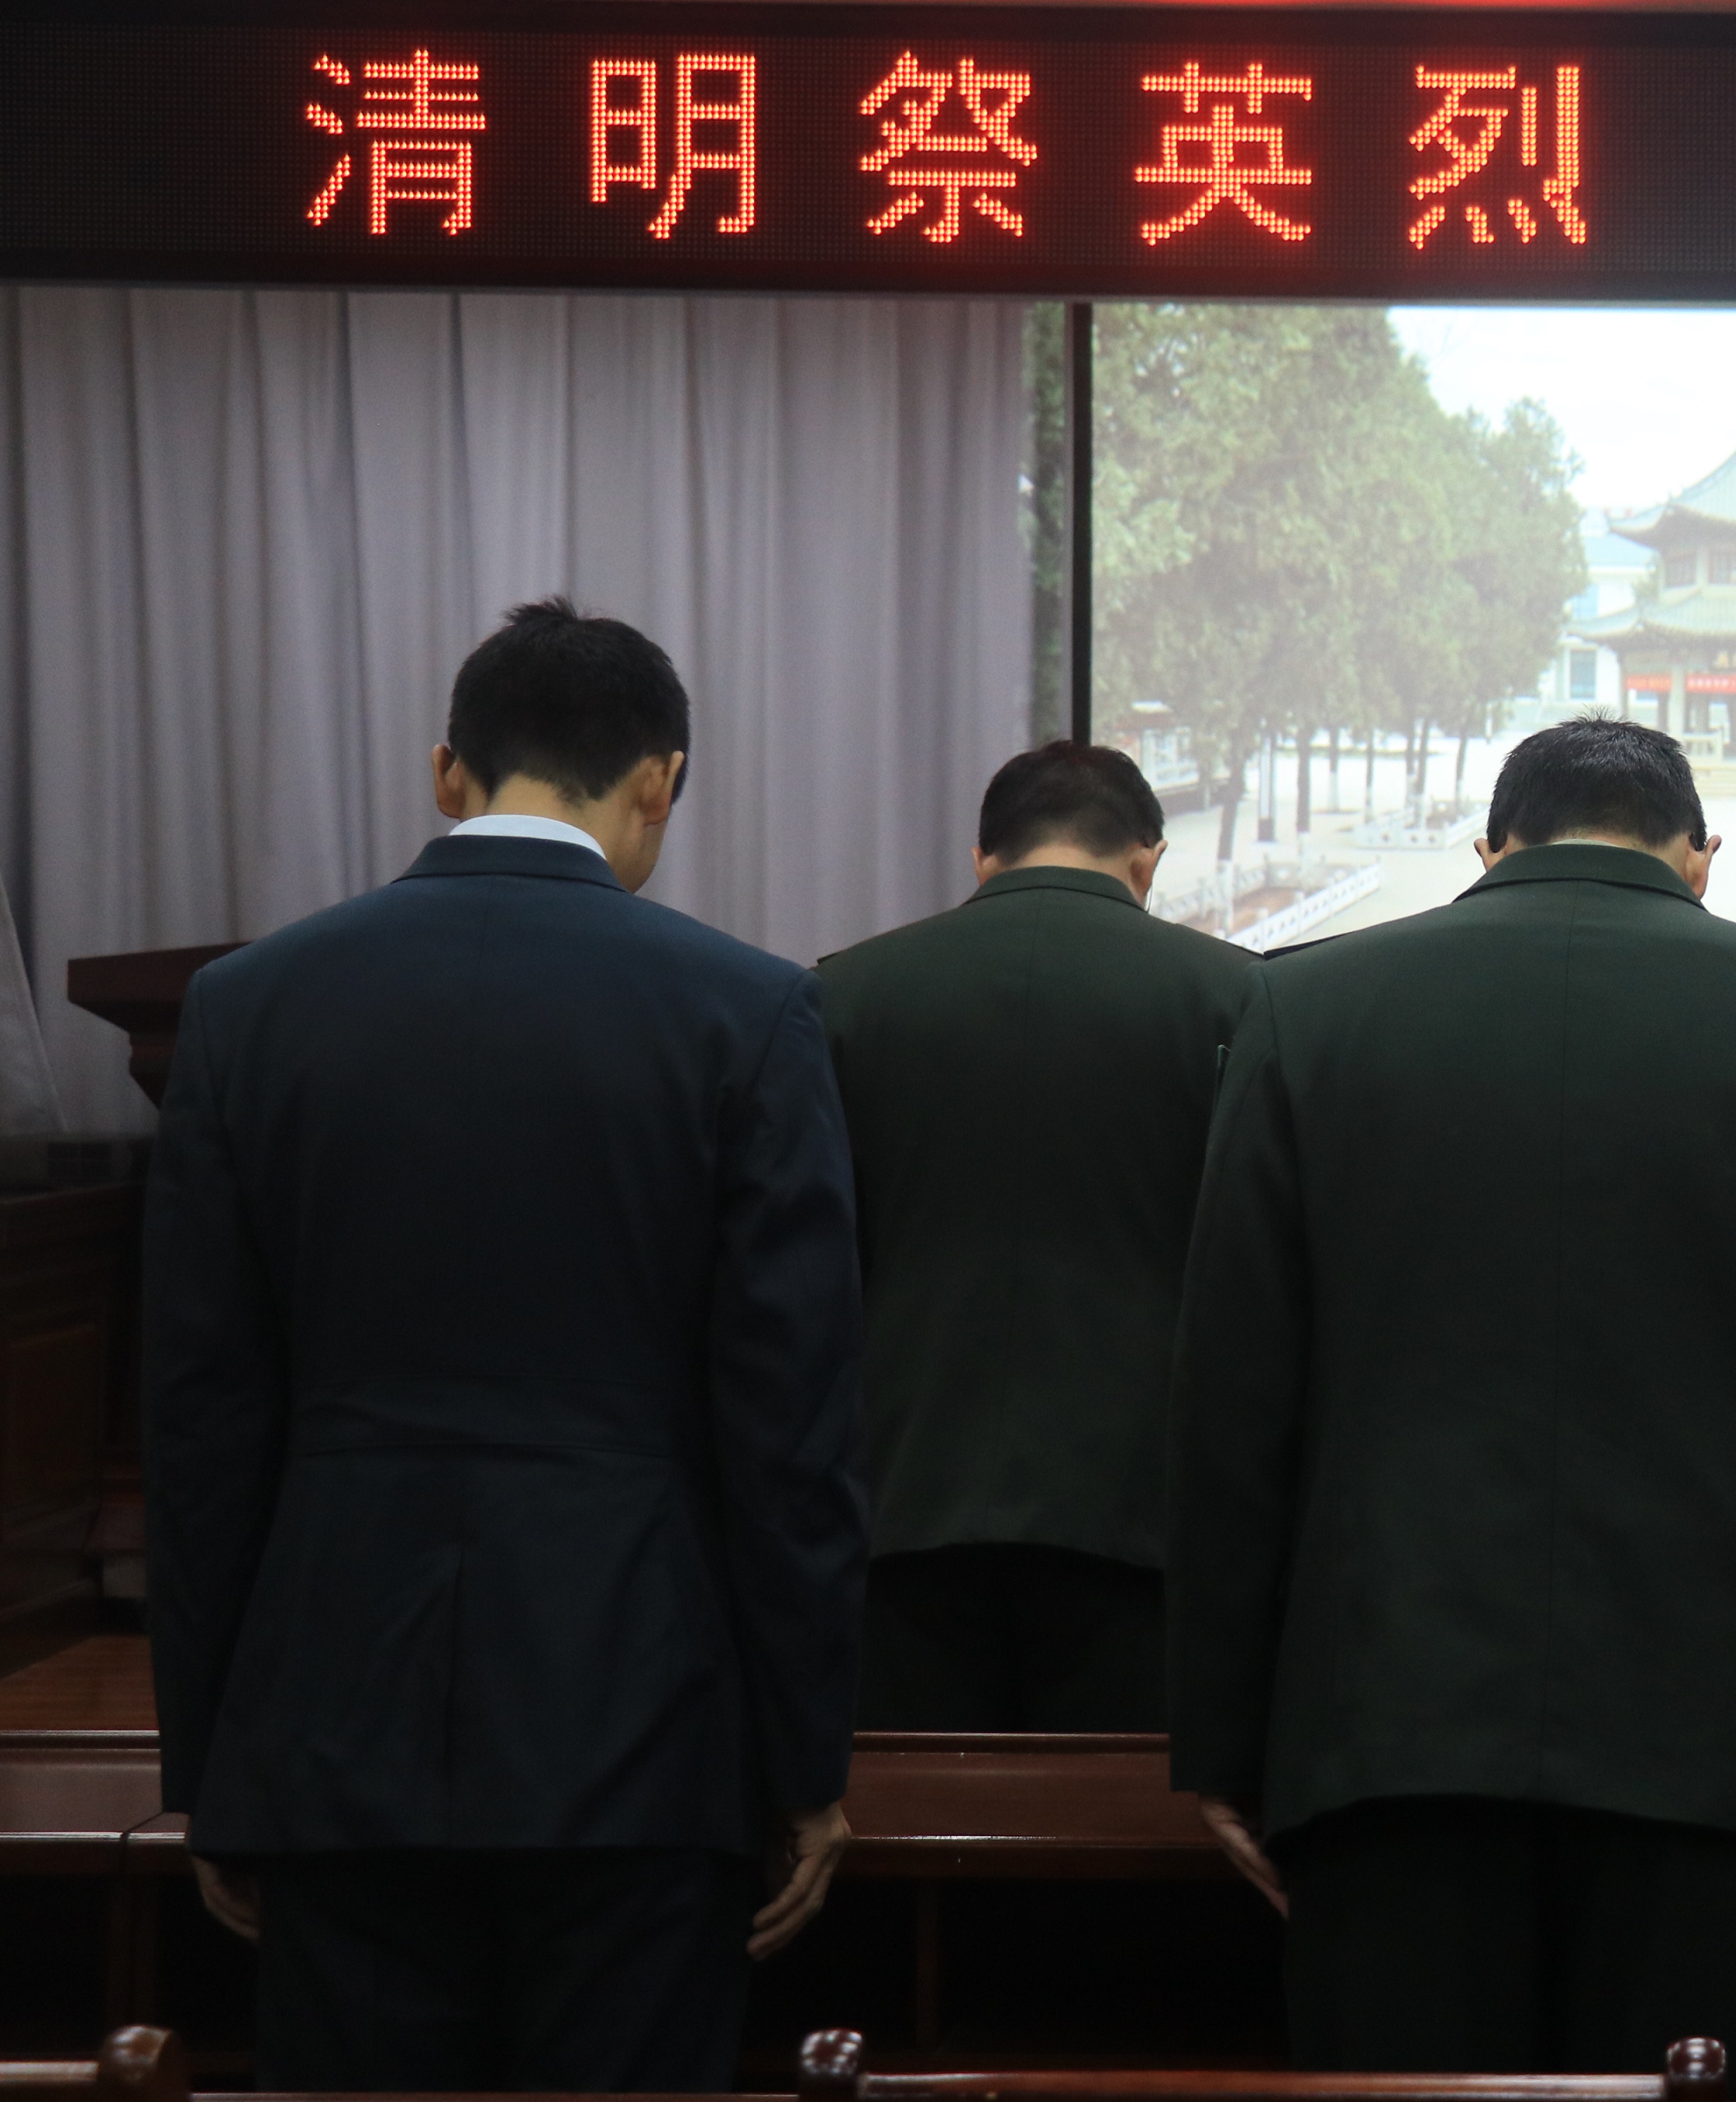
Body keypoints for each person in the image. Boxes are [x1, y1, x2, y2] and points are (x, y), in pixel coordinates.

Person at [1169, 716, 1736, 2098]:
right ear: (1701, 857)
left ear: (1489, 849)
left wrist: (1224, 1740)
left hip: (1383, 1735)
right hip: (1720, 1745)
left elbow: (1232, 1402)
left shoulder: (1303, 1006)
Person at [143, 600, 867, 2092]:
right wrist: (804, 1762)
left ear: (446, 771)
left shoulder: (247, 1007)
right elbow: (789, 1431)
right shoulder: (748, 1012)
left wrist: (212, 1765)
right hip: (641, 1726)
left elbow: (201, 1422)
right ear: (659, 779)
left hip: (331, 1723)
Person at [818, 740, 1253, 1730]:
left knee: (910, 1815)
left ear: (983, 857)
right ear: (1148, 860)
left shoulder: (840, 996)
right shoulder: (1241, 999)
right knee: (1114, 1823)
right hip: (1149, 1528)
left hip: (895, 1516)